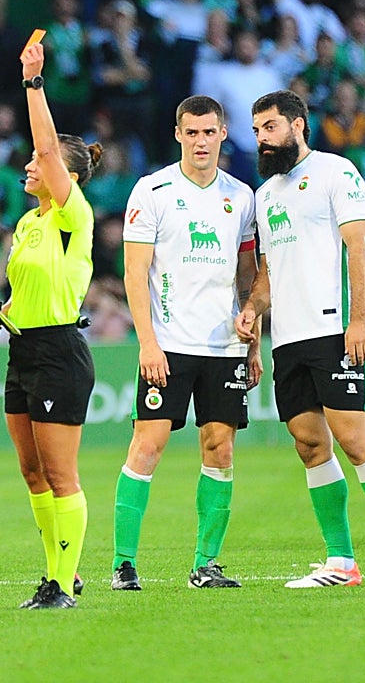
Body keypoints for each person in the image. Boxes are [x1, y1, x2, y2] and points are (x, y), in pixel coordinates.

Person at [234, 89, 365, 589]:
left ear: (299, 125)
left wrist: (359, 319)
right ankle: (341, 563)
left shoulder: (337, 172)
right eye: (257, 130)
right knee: (308, 444)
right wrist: (252, 312)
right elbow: (268, 274)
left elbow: (359, 245)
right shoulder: (265, 194)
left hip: (332, 328)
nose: (261, 139)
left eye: (270, 127)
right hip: (289, 340)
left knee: (354, 437)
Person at [111, 95, 261, 592]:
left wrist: (253, 340)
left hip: (224, 348)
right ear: (178, 134)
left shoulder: (242, 197)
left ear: (223, 134)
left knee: (219, 449)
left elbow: (247, 274)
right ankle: (123, 563)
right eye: (191, 132)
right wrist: (147, 343)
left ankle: (206, 563)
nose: (200, 141)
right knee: (147, 445)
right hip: (169, 345)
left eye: (209, 132)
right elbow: (135, 275)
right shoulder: (151, 191)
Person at [0, 40, 102, 610]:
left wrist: (33, 83)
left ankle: (62, 581)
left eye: (42, 164)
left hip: (59, 353)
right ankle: (59, 572)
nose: (30, 165)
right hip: (23, 350)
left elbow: (49, 150)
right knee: (32, 473)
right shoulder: (30, 222)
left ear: (66, 177)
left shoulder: (71, 213)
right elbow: (30, 285)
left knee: (60, 473)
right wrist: (3, 311)